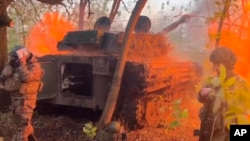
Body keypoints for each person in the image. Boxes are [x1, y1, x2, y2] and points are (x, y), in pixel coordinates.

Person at [197, 47, 250, 141]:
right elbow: (200, 98)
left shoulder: (241, 83)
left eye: (217, 64)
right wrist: (201, 94)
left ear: (226, 64)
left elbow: (242, 108)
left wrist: (212, 93)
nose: (215, 67)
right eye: (214, 64)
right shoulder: (213, 81)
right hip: (210, 131)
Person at [0, 45, 43, 141]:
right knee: (25, 127)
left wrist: (22, 62)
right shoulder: (16, 64)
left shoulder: (35, 66)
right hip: (16, 101)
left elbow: (26, 77)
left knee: (21, 130)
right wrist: (10, 63)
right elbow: (4, 76)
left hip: (26, 101)